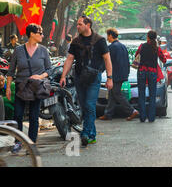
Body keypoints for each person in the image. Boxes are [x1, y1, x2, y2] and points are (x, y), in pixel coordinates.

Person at [59, 15, 113, 147]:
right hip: (79, 77)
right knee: (84, 107)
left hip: (94, 78)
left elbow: (107, 59)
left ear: (88, 25)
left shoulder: (99, 40)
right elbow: (70, 59)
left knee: (89, 105)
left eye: (79, 24)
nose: (77, 27)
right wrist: (63, 76)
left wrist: (110, 78)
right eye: (77, 24)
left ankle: (85, 133)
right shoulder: (76, 42)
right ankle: (92, 135)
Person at [5, 24, 51, 153]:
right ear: (31, 34)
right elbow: (11, 71)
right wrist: (8, 88)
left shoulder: (43, 51)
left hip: (36, 87)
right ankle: (18, 142)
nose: (42, 35)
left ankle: (31, 144)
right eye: (40, 33)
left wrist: (40, 76)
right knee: (18, 116)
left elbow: (49, 69)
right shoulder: (18, 50)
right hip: (21, 86)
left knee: (33, 116)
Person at [99, 28, 139, 121]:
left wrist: (103, 72)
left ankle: (132, 111)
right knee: (112, 93)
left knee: (116, 94)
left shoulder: (112, 47)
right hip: (122, 74)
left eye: (107, 36)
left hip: (115, 75)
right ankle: (108, 114)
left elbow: (108, 62)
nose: (107, 38)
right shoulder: (122, 46)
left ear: (110, 36)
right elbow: (126, 61)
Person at [134, 30, 166, 123]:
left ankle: (142, 117)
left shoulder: (142, 46)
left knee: (142, 94)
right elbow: (163, 60)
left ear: (147, 37)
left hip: (142, 71)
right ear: (155, 38)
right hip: (152, 72)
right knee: (152, 95)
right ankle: (151, 118)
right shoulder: (157, 48)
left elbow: (136, 55)